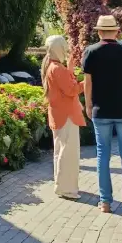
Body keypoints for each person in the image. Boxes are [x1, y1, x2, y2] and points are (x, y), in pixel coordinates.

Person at [83, 15, 122, 216]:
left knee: (103, 156)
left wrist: (88, 104)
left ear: (99, 31)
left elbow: (88, 82)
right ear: (116, 32)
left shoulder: (90, 52)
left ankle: (105, 202)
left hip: (101, 111)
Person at [41, 35, 85, 200]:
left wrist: (70, 70)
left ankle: (62, 186)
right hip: (66, 116)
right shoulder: (57, 68)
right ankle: (67, 189)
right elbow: (72, 90)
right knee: (68, 154)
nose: (66, 50)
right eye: (64, 48)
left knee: (61, 152)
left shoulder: (52, 66)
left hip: (60, 115)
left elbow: (66, 86)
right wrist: (89, 81)